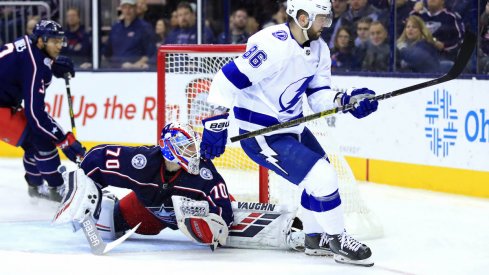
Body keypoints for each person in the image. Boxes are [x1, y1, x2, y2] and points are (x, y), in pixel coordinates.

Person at [200, 0, 378, 267]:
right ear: (303, 17)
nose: (325, 24)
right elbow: (225, 80)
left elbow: (318, 97)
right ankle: (338, 239)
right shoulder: (272, 44)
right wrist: (215, 123)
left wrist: (346, 100)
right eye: (321, 18)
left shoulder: (319, 49)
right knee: (323, 176)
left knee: (320, 180)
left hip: (292, 128)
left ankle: (315, 238)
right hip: (261, 134)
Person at [53, 122, 303, 251]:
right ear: (169, 149)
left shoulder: (202, 173)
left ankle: (291, 232)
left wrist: (218, 224)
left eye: (193, 146)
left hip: (189, 215)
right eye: (187, 148)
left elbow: (222, 203)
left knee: (233, 219)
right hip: (148, 211)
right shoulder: (141, 162)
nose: (193, 153)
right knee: (109, 222)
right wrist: (80, 184)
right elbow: (96, 158)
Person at [0, 19, 86, 202]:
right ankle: (56, 188)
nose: (59, 45)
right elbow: (36, 114)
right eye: (53, 41)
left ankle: (36, 187)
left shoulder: (29, 46)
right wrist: (64, 139)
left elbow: (18, 64)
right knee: (43, 140)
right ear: (40, 41)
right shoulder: (34, 66)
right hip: (2, 109)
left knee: (34, 142)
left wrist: (51, 64)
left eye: (60, 40)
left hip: (5, 105)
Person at [103, 0, 155, 69]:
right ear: (121, 9)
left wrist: (134, 66)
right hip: (115, 72)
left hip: (135, 73)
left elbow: (150, 54)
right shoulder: (115, 28)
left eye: (130, 7)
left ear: (135, 8)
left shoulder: (144, 27)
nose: (127, 10)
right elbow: (107, 53)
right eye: (125, 7)